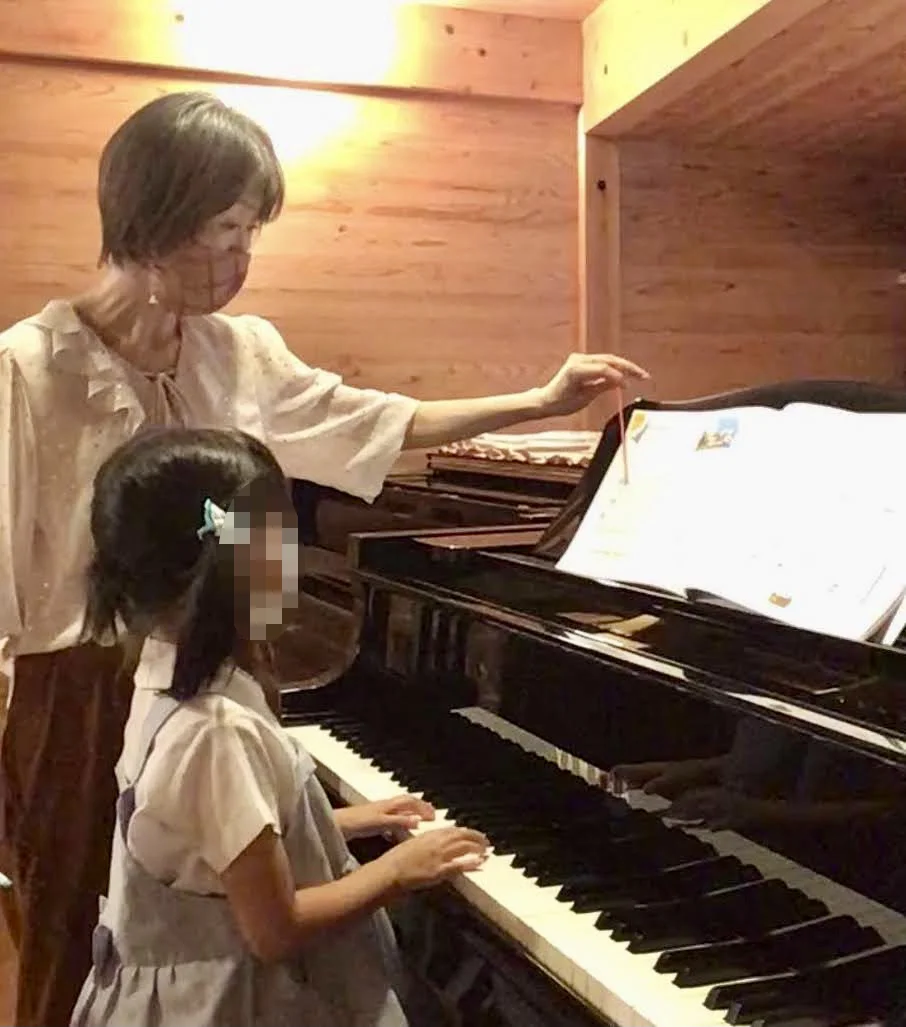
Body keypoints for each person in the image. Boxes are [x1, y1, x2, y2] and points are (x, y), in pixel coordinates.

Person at [0, 90, 648, 1025]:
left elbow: (368, 420)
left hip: (211, 659)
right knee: (76, 946)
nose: (240, 260)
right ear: (152, 217)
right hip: (77, 698)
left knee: (220, 946)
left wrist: (538, 403)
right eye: (223, 232)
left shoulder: (240, 350)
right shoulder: (27, 367)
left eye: (251, 234)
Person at [69, 426, 489, 1026]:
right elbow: (276, 930)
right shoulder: (215, 730)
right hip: (238, 1004)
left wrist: (342, 822)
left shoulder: (165, 677)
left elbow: (210, 842)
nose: (297, 558)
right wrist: (397, 870)